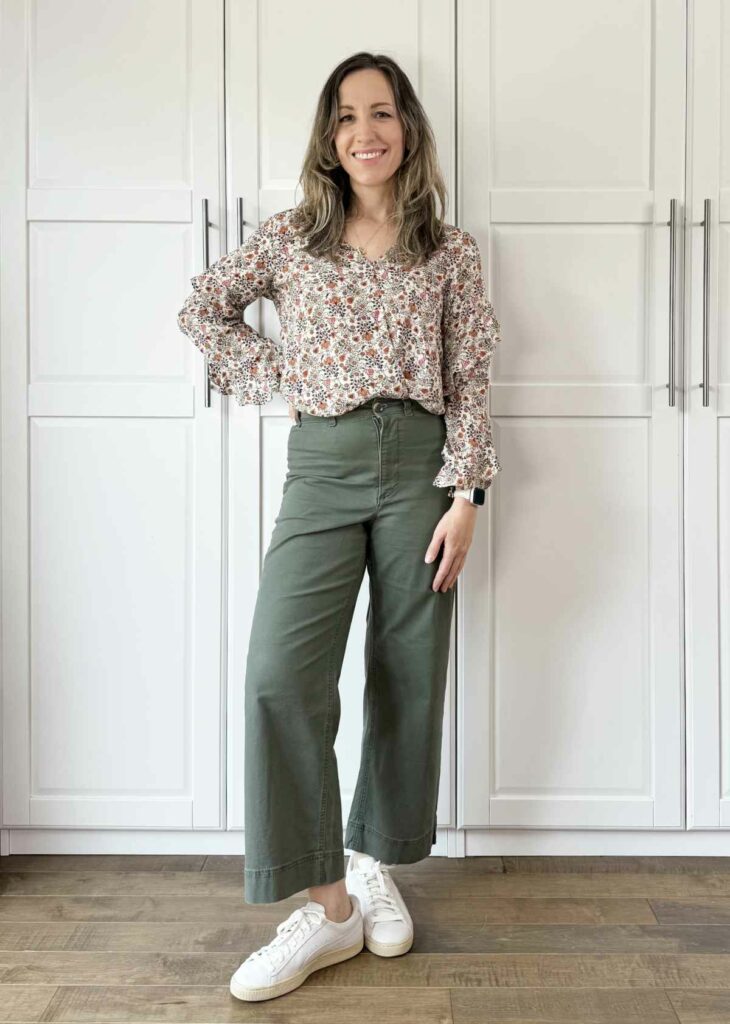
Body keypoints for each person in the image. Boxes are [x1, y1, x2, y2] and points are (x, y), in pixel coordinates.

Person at [176, 51, 502, 1003]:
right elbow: (202, 309)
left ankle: (373, 864)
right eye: (348, 116)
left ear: (409, 128)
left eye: (384, 112)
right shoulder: (291, 239)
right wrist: (283, 380)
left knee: (406, 676)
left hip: (424, 468)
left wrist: (468, 496)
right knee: (281, 673)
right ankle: (328, 907)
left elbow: (473, 375)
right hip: (322, 464)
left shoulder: (450, 250)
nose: (367, 131)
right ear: (328, 136)